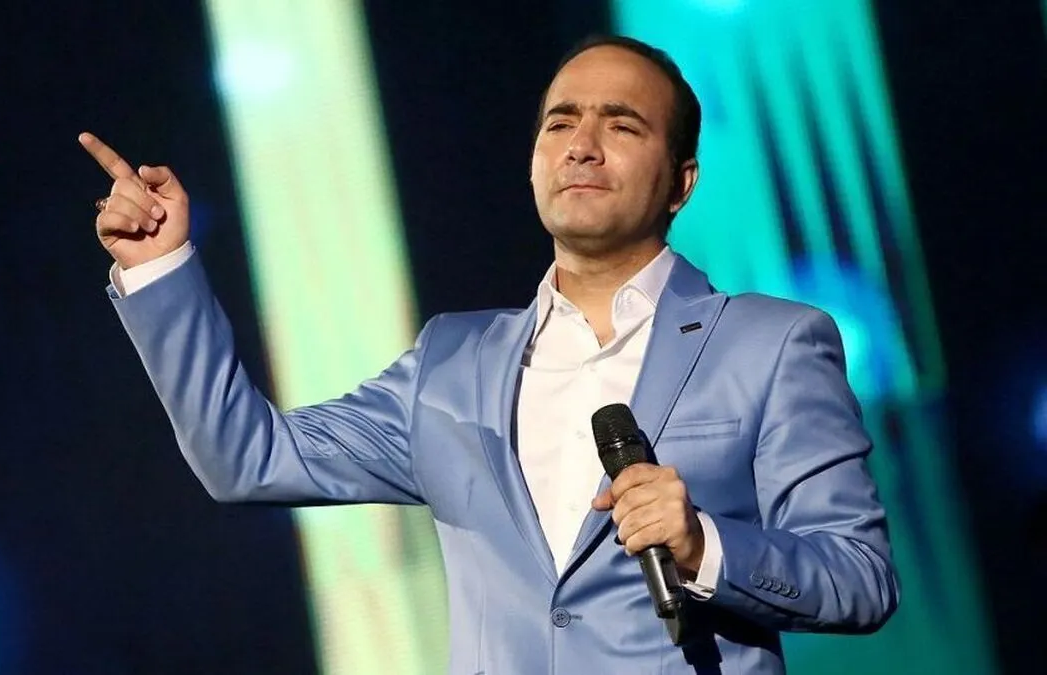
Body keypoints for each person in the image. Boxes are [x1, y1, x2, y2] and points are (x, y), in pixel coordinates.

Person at [81, 34, 898, 674]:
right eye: (560, 123)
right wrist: (159, 269)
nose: (582, 146)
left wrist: (705, 546)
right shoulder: (452, 359)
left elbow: (860, 577)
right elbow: (246, 457)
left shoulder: (771, 342)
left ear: (682, 181)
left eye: (621, 125)